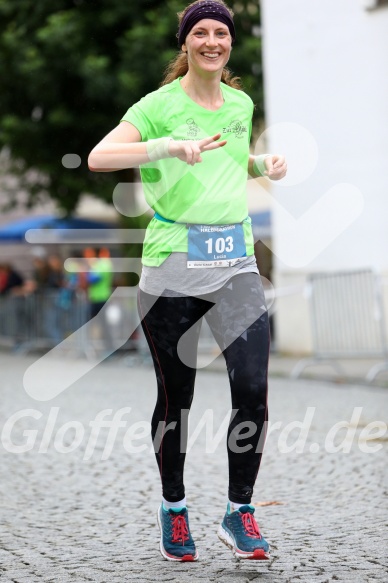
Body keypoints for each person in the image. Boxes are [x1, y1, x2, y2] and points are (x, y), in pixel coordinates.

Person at [88, 0, 287, 562]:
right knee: (177, 399)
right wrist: (167, 146)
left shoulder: (241, 103)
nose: (211, 41)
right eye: (199, 32)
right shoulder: (157, 106)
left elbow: (230, 159)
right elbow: (101, 157)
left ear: (229, 44)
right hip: (173, 266)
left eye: (220, 32)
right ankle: (174, 509)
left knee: (252, 387)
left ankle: (238, 510)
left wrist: (261, 163)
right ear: (186, 43)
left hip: (235, 265)